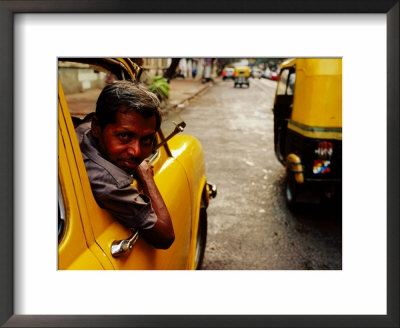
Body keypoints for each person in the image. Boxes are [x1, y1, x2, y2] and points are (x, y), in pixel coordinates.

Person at [75, 80, 175, 249]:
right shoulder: (110, 181)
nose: (136, 152)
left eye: (146, 140)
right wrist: (146, 176)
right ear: (97, 127)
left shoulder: (82, 129)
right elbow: (165, 236)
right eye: (124, 136)